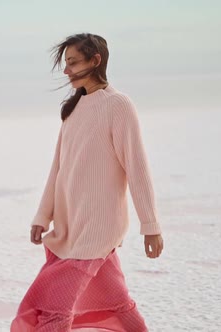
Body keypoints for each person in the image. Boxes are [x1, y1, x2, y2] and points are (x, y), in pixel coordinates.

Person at [10, 33, 164, 332]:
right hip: (70, 225)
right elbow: (59, 168)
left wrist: (151, 227)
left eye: (73, 62)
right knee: (117, 303)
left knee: (53, 310)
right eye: (65, 64)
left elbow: (137, 168)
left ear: (96, 61)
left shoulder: (117, 105)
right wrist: (43, 215)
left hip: (97, 228)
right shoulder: (73, 109)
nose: (66, 71)